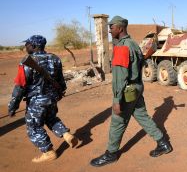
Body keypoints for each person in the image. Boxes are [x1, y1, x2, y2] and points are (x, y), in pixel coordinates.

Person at [90, 16, 173, 167]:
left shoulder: (122, 47)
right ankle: (163, 143)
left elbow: (120, 78)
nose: (109, 30)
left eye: (112, 27)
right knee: (142, 116)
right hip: (136, 87)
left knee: (118, 121)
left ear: (120, 28)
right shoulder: (132, 43)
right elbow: (141, 61)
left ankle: (111, 154)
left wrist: (116, 100)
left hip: (127, 90)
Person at [8, 35, 78, 163]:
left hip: (36, 101)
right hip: (52, 99)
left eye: (27, 44)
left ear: (34, 46)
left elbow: (20, 86)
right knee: (51, 118)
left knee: (33, 126)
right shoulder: (55, 58)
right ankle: (67, 135)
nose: (25, 46)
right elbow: (61, 81)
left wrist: (13, 106)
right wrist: (60, 92)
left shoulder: (26, 61)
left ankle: (48, 152)